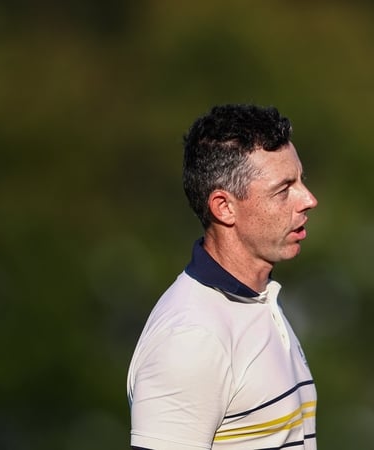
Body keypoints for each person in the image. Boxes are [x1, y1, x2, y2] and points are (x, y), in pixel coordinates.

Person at [127, 104, 319, 449]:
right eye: (283, 189)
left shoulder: (260, 299)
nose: (308, 200)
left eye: (301, 180)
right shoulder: (191, 337)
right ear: (224, 207)